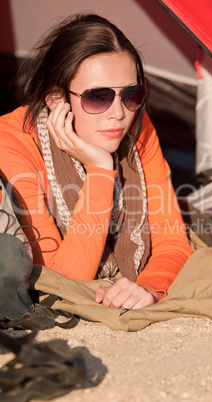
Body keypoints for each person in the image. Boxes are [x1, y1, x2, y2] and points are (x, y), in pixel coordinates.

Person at [0, 14, 192, 311]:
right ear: (55, 98)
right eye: (97, 97)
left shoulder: (138, 124)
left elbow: (172, 240)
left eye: (132, 94)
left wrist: (149, 287)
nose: (118, 113)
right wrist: (101, 170)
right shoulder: (12, 143)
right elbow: (60, 280)